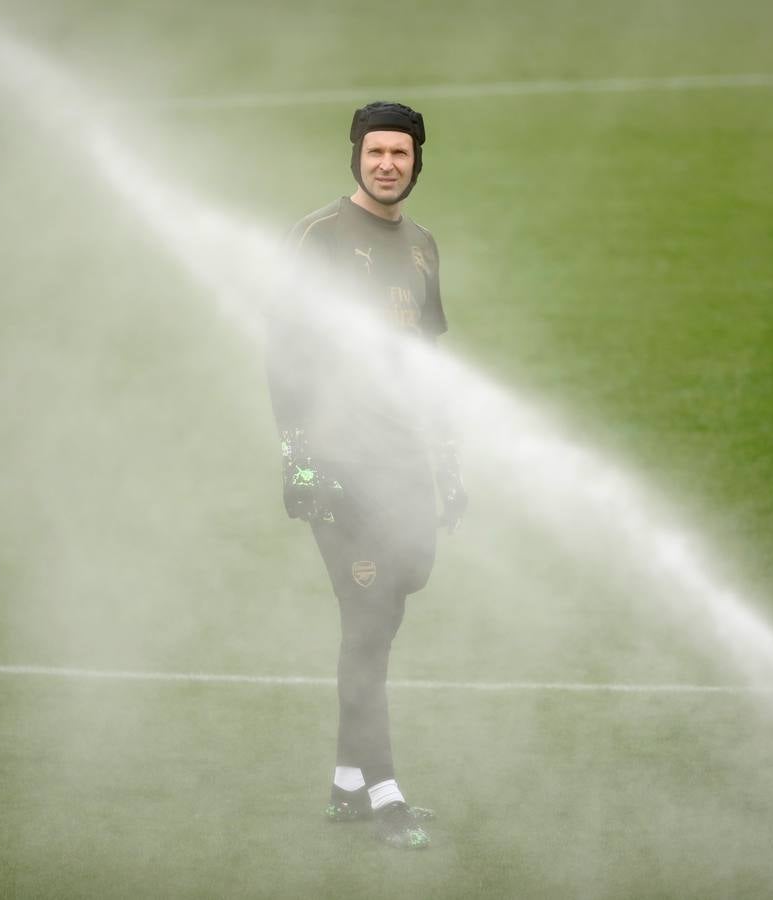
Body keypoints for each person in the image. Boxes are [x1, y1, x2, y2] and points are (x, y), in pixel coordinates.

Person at [264, 101, 467, 850]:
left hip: (403, 459)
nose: (388, 163)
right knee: (368, 616)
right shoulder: (317, 237)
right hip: (339, 464)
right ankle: (384, 796)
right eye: (375, 151)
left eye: (401, 153)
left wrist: (446, 462)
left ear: (417, 162)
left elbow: (430, 360)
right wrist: (301, 459)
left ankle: (346, 785)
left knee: (402, 588)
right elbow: (281, 352)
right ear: (354, 156)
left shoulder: (422, 246)